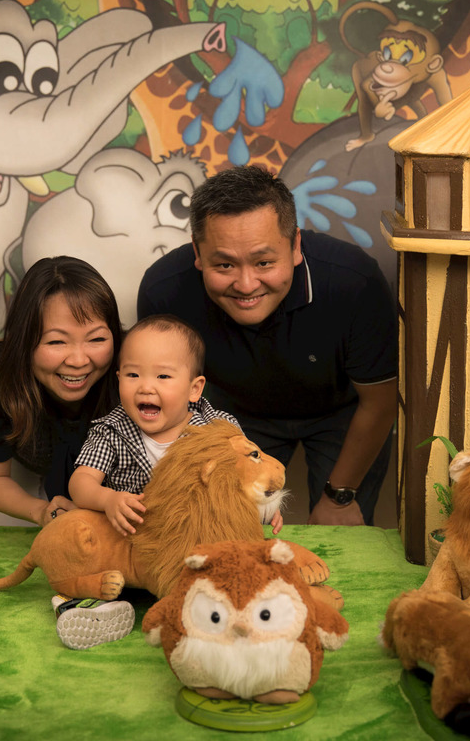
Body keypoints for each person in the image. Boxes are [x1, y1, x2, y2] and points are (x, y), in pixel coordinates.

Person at [137, 165, 398, 526]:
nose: (246, 284)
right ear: (197, 252)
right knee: (225, 525)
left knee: (339, 529)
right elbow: (164, 399)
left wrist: (340, 497)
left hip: (342, 413)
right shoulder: (164, 290)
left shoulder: (355, 282)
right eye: (225, 264)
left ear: (295, 246)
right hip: (234, 413)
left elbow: (380, 402)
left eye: (263, 262)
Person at [0, 256, 133, 650]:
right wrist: (40, 511)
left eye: (96, 338)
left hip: (90, 462)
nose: (78, 359)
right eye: (56, 341)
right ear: (25, 340)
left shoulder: (131, 368)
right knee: (23, 548)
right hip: (16, 444)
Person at [70, 314, 282, 536]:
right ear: (119, 378)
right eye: (133, 374)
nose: (145, 387)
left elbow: (246, 476)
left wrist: (263, 505)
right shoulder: (110, 432)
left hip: (200, 534)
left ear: (194, 389)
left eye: (163, 376)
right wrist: (108, 499)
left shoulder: (219, 430)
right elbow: (80, 483)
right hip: (134, 541)